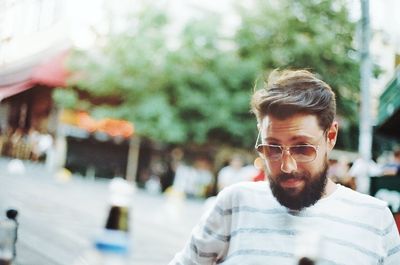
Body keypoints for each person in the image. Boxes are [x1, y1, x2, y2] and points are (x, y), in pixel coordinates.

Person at [168, 69, 400, 264]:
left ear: (330, 137)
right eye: (273, 148)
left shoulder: (375, 219)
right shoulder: (234, 203)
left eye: (302, 148)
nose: (287, 166)